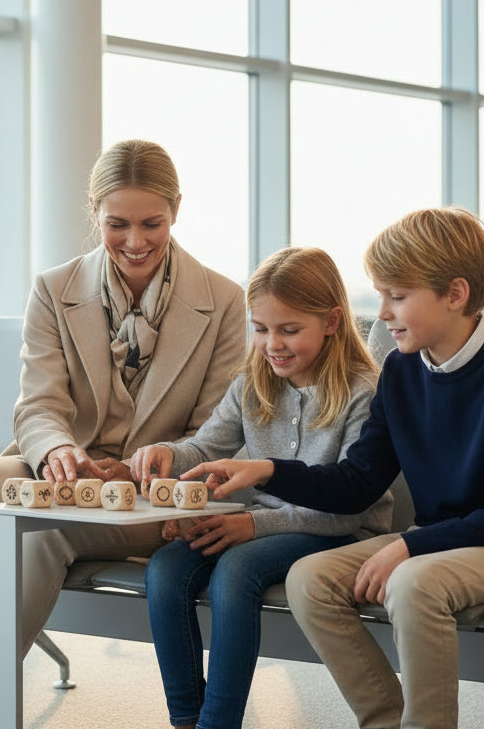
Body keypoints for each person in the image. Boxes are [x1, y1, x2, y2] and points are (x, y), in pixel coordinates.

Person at [184, 207, 484, 729]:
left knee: (412, 582)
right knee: (310, 579)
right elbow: (357, 484)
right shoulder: (400, 371)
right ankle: (383, 721)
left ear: (456, 294)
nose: (382, 312)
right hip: (443, 543)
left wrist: (407, 545)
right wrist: (267, 470)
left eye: (397, 297)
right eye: (380, 296)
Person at [0, 139, 247, 729]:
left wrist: (156, 462)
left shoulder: (223, 300)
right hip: (64, 471)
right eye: (117, 223)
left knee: (43, 531)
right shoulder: (54, 287)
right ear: (93, 213)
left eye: (153, 223)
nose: (136, 241)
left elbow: (219, 431)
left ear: (177, 210)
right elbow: (38, 403)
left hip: (151, 496)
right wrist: (60, 451)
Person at [128, 246, 392, 729]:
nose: (273, 344)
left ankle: (218, 723)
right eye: (261, 328)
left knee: (236, 571)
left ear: (332, 321)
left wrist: (251, 525)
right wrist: (168, 452)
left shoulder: (363, 392)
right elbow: (206, 447)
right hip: (264, 525)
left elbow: (350, 507)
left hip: (340, 531)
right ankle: (186, 717)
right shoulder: (253, 382)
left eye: (289, 330)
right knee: (166, 570)